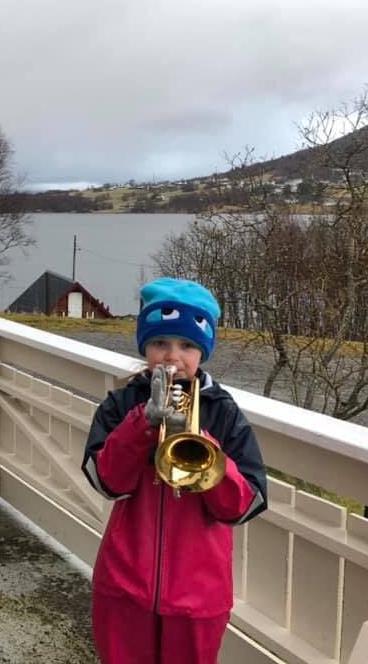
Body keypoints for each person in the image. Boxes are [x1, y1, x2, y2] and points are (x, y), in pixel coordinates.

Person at [81, 277, 267, 664]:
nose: (172, 356)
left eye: (186, 346)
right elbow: (107, 481)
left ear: (203, 352)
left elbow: (244, 504)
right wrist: (142, 425)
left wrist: (205, 449)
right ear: (144, 347)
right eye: (159, 343)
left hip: (199, 597)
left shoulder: (223, 411)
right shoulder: (121, 403)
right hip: (124, 586)